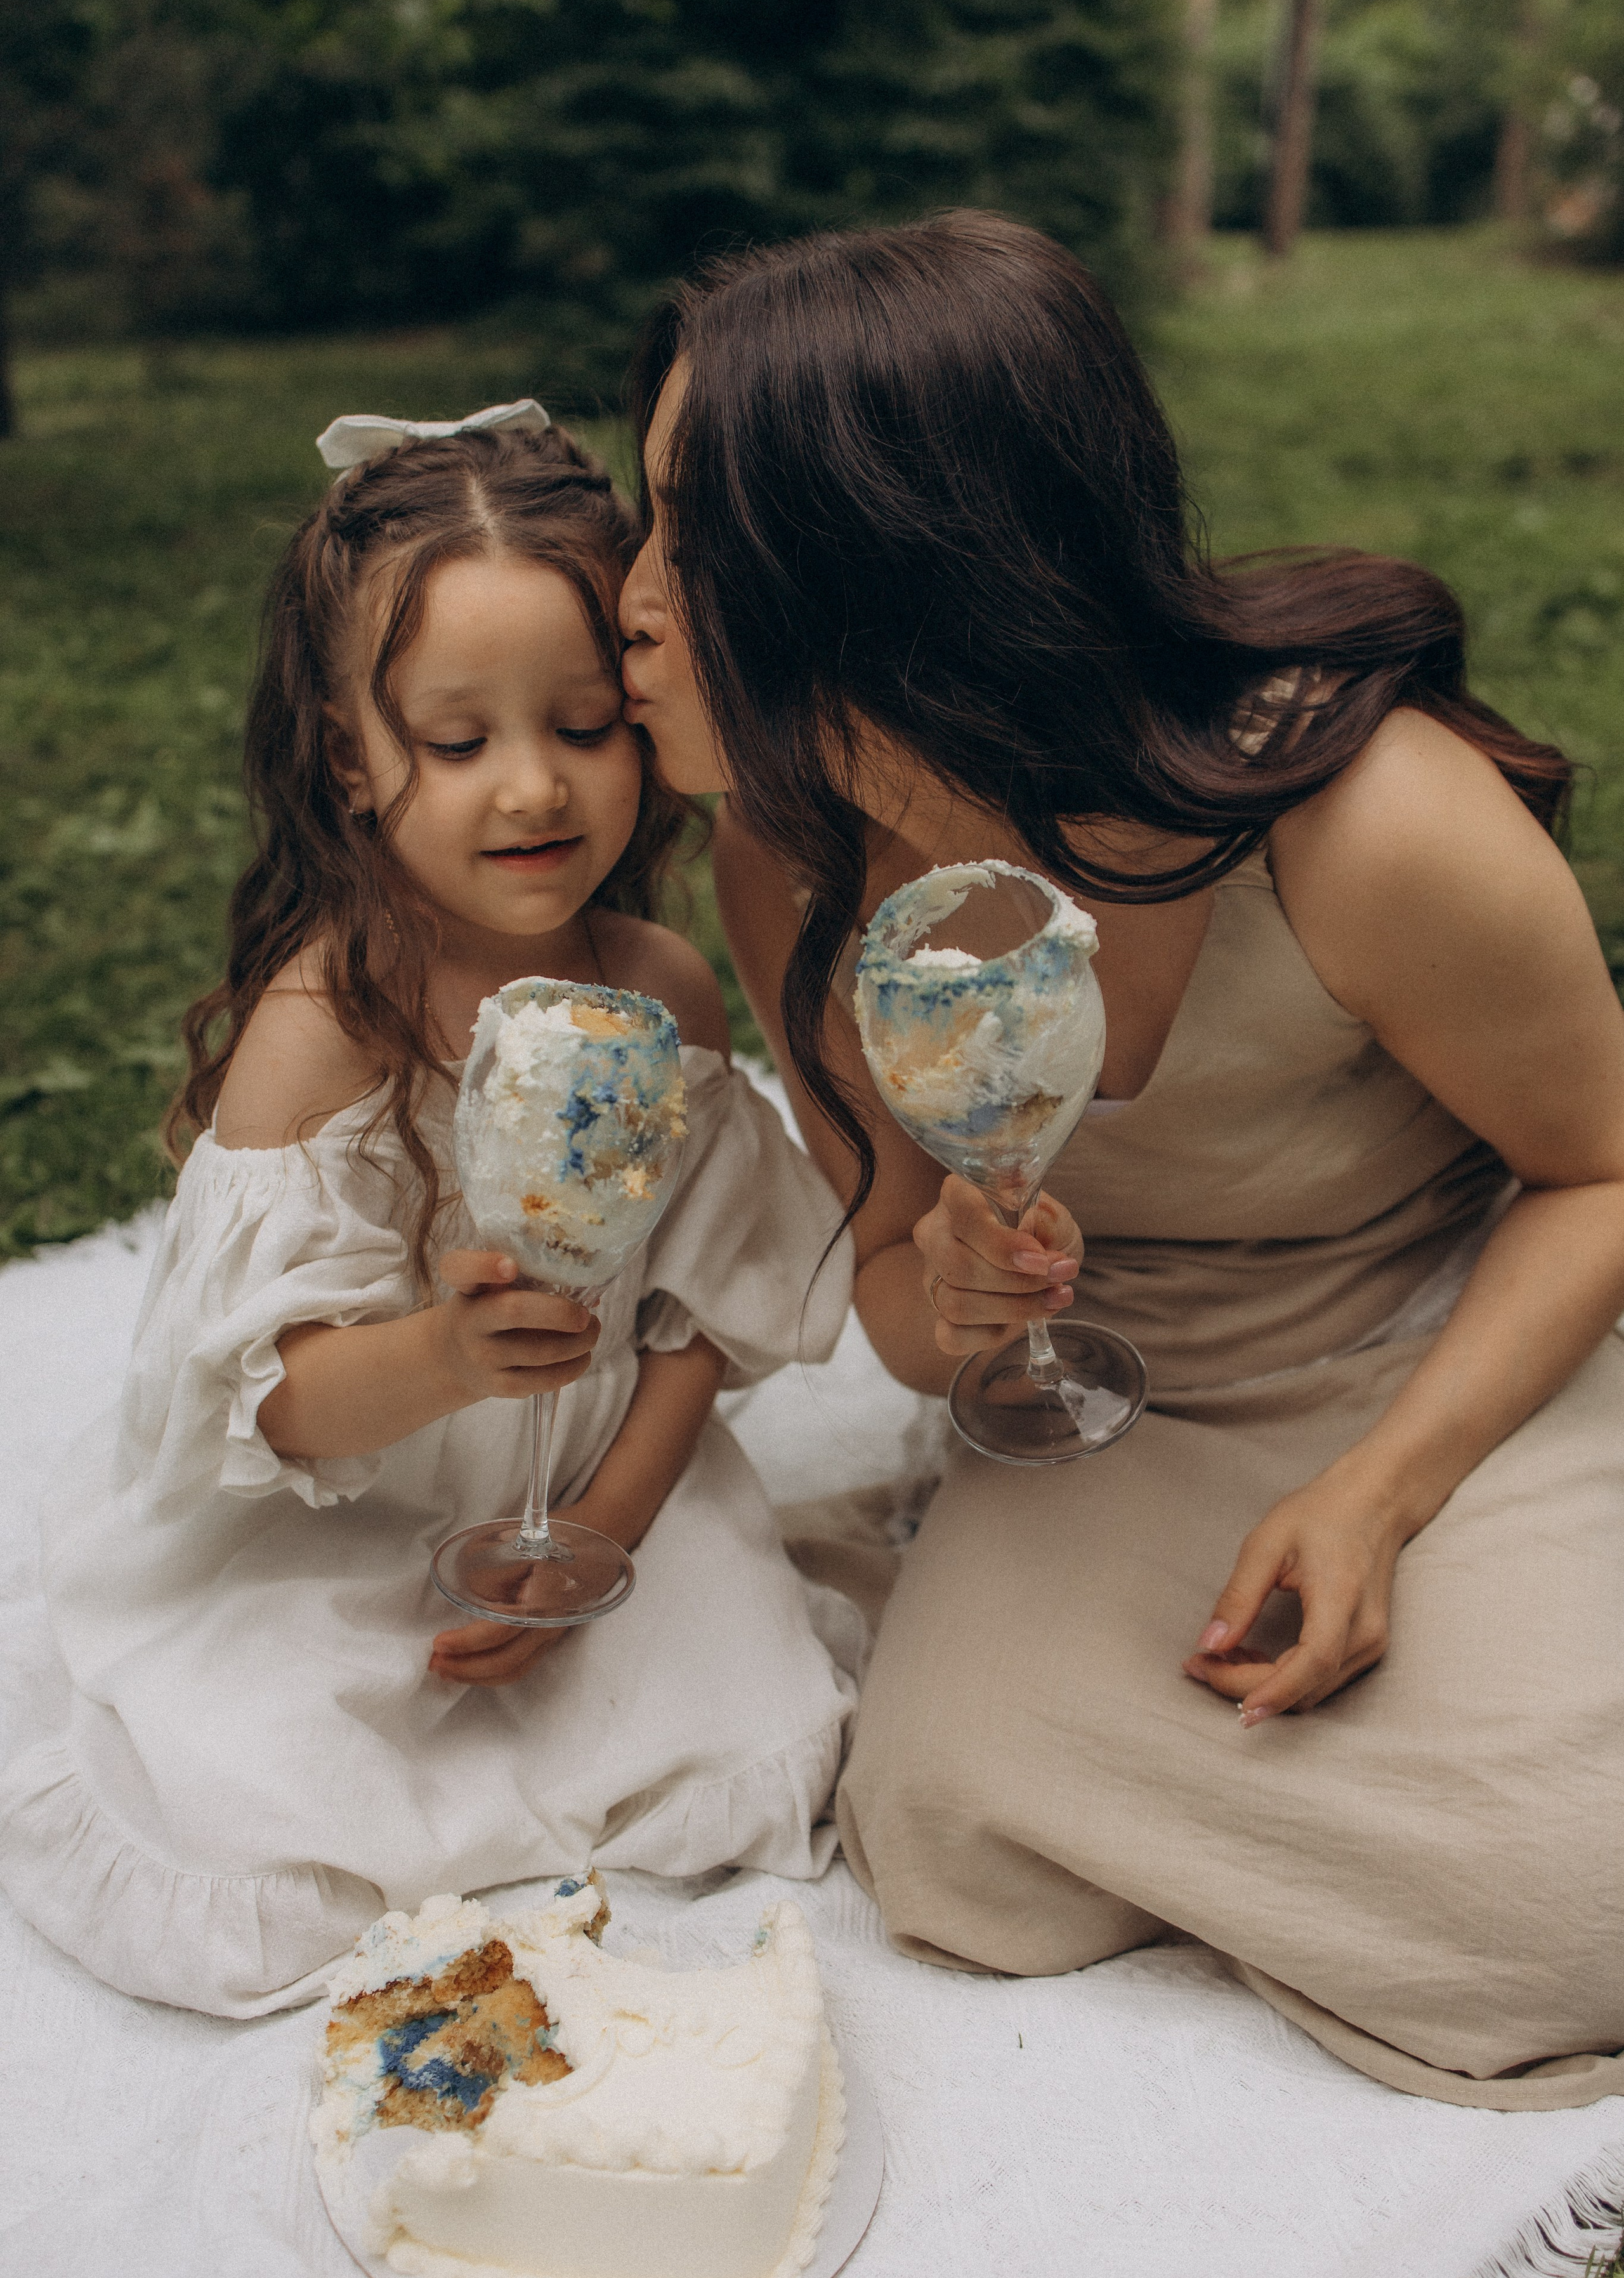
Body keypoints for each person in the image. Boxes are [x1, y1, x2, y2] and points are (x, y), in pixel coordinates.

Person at [617, 212, 1624, 2109]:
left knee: (1567, 1897)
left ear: (880, 563)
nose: (631, 594)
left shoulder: (1375, 822)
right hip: (1105, 1397)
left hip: (1438, 1352)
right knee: (937, 1829)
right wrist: (962, 1302)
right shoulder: (789, 859)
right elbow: (908, 1313)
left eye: (690, 536)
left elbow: (1604, 1174)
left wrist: (1386, 1496)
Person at [0, 407, 858, 2018]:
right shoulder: (331, 1025)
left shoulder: (656, 993)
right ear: (348, 755)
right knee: (267, 1814)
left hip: (595, 1486)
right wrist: (449, 1356)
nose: (531, 788)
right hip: (358, 1510)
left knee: (738, 1728)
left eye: (585, 722)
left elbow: (691, 1326)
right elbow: (281, 1393)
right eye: (456, 743)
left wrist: (604, 1524)